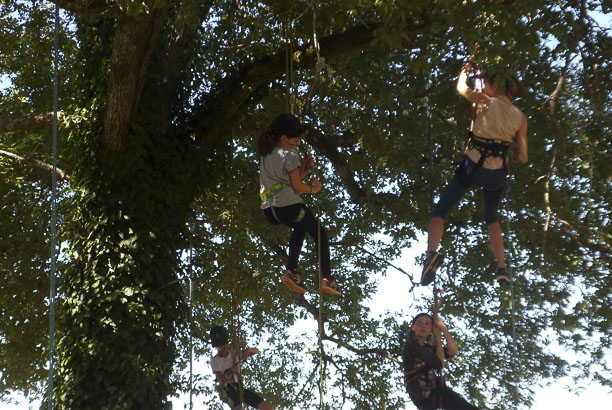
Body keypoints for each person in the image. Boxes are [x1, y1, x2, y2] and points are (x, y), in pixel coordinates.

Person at [421, 58, 528, 287]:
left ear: (496, 86)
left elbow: (461, 87)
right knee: (492, 217)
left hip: (472, 167)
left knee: (440, 212)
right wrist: (508, 143)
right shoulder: (520, 117)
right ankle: (502, 267)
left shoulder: (484, 102)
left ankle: (431, 254)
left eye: (486, 83)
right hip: (497, 174)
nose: (483, 87)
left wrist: (466, 68)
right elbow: (523, 157)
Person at [257, 113, 340, 296]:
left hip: (271, 210)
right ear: (284, 138)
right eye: (297, 139)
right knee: (320, 233)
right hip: (289, 206)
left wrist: (305, 169)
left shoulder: (267, 155)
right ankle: (327, 278)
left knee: (300, 228)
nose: (299, 143)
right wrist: (314, 190)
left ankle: (291, 271)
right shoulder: (289, 153)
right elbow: (296, 186)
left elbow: (288, 182)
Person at [403, 313, 479, 410]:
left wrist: (443, 328)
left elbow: (453, 351)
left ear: (431, 330)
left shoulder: (429, 349)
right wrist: (438, 337)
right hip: (421, 394)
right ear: (413, 327)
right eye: (420, 323)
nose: (423, 326)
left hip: (435, 391)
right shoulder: (412, 343)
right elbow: (439, 363)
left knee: (465, 407)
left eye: (427, 324)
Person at [210, 325, 274, 410]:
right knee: (238, 408)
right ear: (216, 347)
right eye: (221, 346)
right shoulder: (215, 360)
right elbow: (221, 380)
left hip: (239, 386)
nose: (224, 347)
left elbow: (256, 351)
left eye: (225, 344)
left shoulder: (234, 354)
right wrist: (232, 370)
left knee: (268, 407)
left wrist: (248, 351)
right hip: (228, 388)